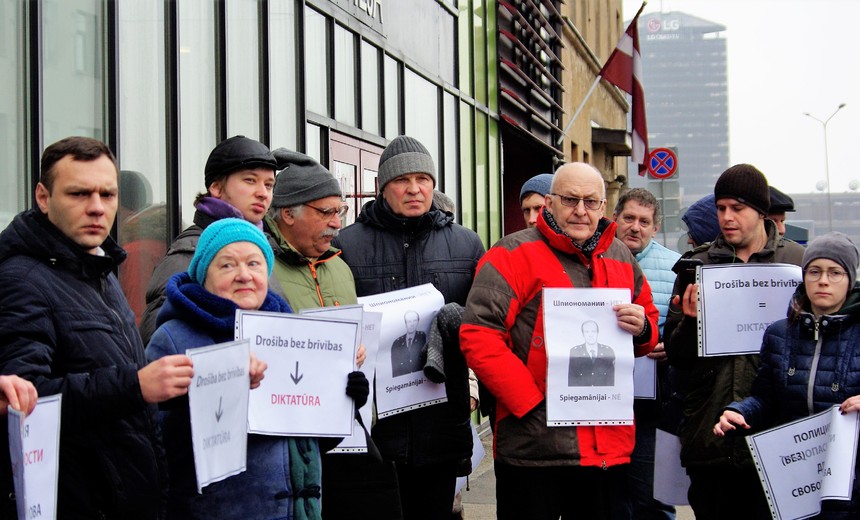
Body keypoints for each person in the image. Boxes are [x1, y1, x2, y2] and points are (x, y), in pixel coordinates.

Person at [0, 136, 195, 518]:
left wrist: (209, 378)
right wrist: (136, 385)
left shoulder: (98, 269)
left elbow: (117, 380)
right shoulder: (20, 280)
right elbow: (25, 402)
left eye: (108, 194)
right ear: (43, 197)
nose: (96, 207)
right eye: (79, 194)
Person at [460, 162, 659, 519]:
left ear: (603, 207)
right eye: (570, 200)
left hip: (606, 447)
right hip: (534, 447)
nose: (581, 210)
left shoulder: (620, 256)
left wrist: (643, 328)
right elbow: (480, 334)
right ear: (550, 203)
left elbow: (648, 325)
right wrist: (530, 403)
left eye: (590, 201)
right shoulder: (510, 254)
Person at [146, 218, 368, 519]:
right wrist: (215, 387)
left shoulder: (290, 333)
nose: (244, 275)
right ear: (203, 274)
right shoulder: (174, 339)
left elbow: (310, 444)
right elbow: (154, 444)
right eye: (227, 265)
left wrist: (343, 400)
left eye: (254, 263)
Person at [333, 135, 485, 520]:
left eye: (423, 179)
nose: (414, 189)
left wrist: (473, 389)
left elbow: (484, 326)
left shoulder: (467, 245)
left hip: (442, 424)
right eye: (402, 180)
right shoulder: (346, 246)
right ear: (383, 187)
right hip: (377, 428)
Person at [663, 163, 805, 520]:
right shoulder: (696, 266)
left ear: (760, 211)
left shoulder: (796, 263)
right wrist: (690, 323)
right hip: (711, 434)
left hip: (777, 435)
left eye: (737, 208)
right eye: (721, 208)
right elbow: (676, 357)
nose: (727, 217)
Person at [713, 231, 860, 518]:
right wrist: (739, 412)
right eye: (814, 271)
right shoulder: (780, 333)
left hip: (850, 481)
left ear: (850, 279)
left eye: (835, 272)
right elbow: (766, 397)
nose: (823, 280)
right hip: (793, 476)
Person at [139, 135, 281, 344]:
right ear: (216, 188)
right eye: (250, 180)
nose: (263, 193)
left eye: (269, 185)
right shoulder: (189, 252)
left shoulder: (263, 248)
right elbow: (162, 342)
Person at [612, 188, 679, 519]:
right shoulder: (592, 259)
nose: (635, 227)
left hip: (653, 406)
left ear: (656, 227)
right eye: (629, 218)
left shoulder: (675, 267)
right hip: (602, 401)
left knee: (653, 496)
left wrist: (671, 346)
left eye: (644, 221)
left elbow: (688, 328)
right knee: (610, 499)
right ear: (615, 218)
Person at [264, 149, 355, 310]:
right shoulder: (258, 269)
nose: (337, 224)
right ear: (288, 214)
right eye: (326, 212)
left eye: (339, 212)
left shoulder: (341, 269)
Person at [568, 320, 616, 387]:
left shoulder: (608, 351)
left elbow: (611, 381)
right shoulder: (575, 352)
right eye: (587, 332)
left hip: (602, 393)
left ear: (597, 333)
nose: (590, 335)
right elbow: (572, 381)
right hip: (582, 393)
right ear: (583, 334)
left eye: (593, 331)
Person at [391, 311, 427, 377]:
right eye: (409, 321)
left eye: (414, 321)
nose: (412, 324)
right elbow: (395, 370)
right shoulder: (397, 343)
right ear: (405, 323)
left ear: (418, 322)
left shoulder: (422, 337)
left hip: (420, 378)